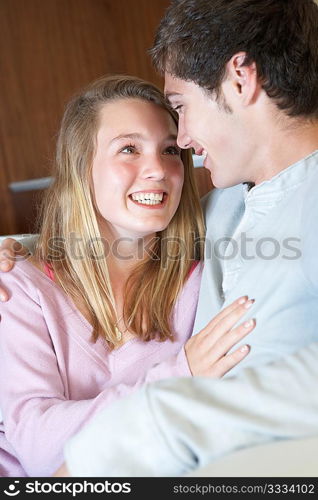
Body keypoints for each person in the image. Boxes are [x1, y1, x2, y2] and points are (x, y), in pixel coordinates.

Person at [1, 0, 318, 477]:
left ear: (240, 78)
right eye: (129, 148)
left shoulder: (218, 239)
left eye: (177, 123)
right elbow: (40, 446)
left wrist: (167, 409)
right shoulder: (224, 210)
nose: (177, 150)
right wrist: (16, 249)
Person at [0, 74, 254, 478]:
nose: (158, 169)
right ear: (83, 166)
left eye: (171, 150)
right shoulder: (21, 286)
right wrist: (177, 378)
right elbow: (40, 449)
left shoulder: (200, 283)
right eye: (129, 149)